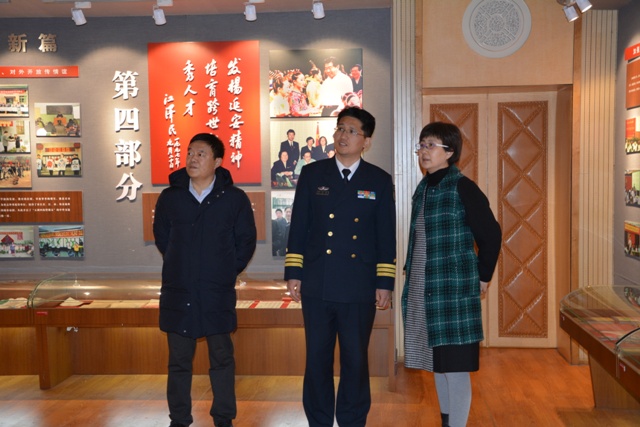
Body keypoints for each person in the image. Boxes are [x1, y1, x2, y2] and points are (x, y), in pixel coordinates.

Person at [285, 106, 396, 427]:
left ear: (366, 141)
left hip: (359, 285)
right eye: (340, 128)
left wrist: (384, 282)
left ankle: (352, 419)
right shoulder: (313, 174)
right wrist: (294, 272)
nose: (343, 135)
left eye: (351, 131)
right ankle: (318, 420)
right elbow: (299, 226)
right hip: (318, 282)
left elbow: (385, 235)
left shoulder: (378, 179)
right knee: (317, 359)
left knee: (355, 359)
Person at [153, 133, 257, 427]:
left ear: (218, 162)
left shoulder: (234, 199)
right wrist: (182, 264)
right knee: (178, 361)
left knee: (222, 358)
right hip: (179, 289)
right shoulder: (171, 197)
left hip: (216, 292)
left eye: (201, 154)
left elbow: (245, 241)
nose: (192, 158)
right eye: (189, 152)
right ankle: (179, 419)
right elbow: (163, 238)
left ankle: (223, 418)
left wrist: (224, 271)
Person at [402, 122, 502, 427]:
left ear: (449, 152)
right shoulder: (423, 188)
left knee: (456, 368)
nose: (424, 151)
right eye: (422, 145)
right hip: (424, 290)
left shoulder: (462, 187)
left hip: (453, 293)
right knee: (439, 363)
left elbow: (491, 234)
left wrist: (482, 276)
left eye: (431, 145)